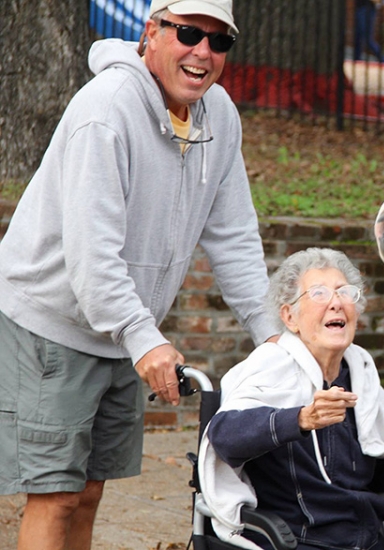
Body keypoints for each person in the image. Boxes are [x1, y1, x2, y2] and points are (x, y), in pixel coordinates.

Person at [0, 0, 280, 548]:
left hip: (123, 333)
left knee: (88, 491)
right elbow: (91, 250)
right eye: (189, 34)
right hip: (52, 323)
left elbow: (234, 237)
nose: (203, 52)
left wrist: (272, 335)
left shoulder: (218, 115)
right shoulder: (105, 109)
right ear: (152, 32)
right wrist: (142, 336)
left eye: (219, 41)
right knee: (55, 494)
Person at [199, 248, 384, 550]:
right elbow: (225, 435)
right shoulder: (268, 367)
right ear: (289, 316)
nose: (336, 303)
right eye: (318, 293)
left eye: (344, 292)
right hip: (298, 539)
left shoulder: (361, 375)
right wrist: (301, 419)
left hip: (367, 539)